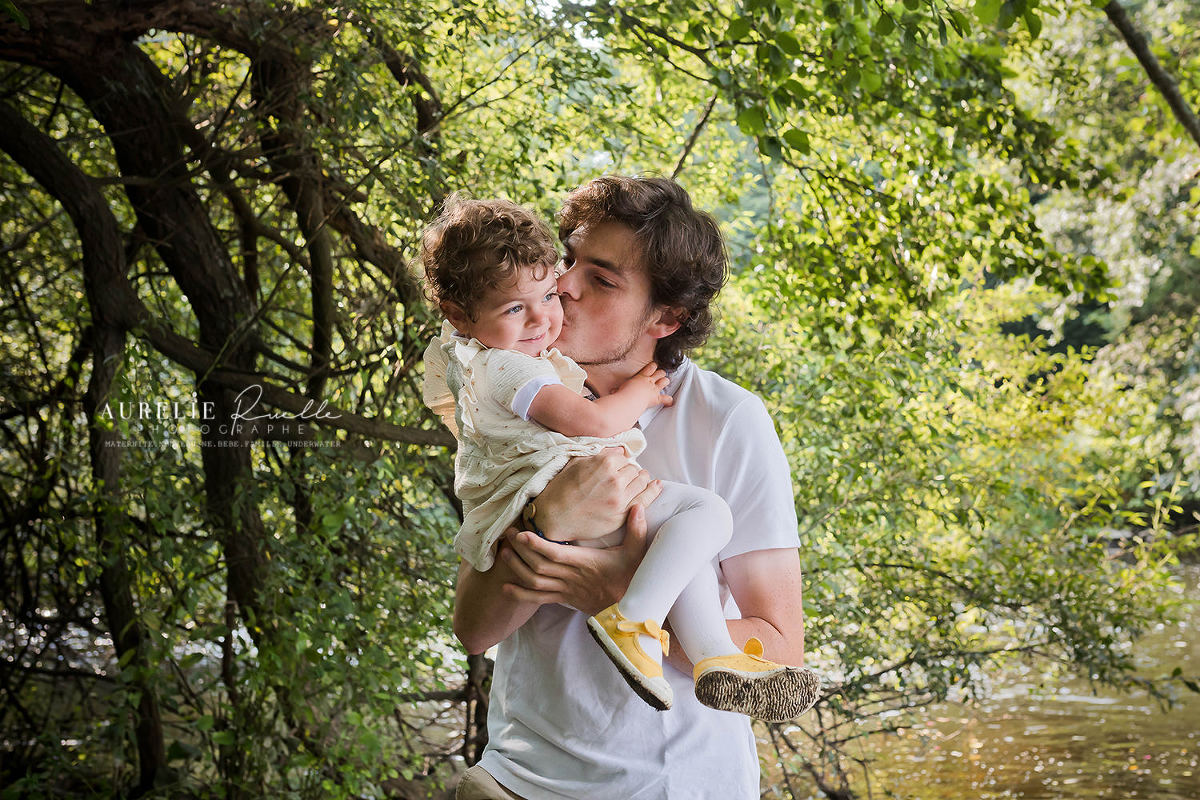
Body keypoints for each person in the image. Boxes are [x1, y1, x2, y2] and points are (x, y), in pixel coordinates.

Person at [452, 176, 812, 800]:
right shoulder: (511, 402)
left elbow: (780, 655)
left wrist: (613, 593)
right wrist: (547, 522)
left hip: (680, 788)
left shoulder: (727, 420)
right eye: (567, 259)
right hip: (519, 780)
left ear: (666, 317)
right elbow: (475, 630)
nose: (563, 284)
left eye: (603, 277)